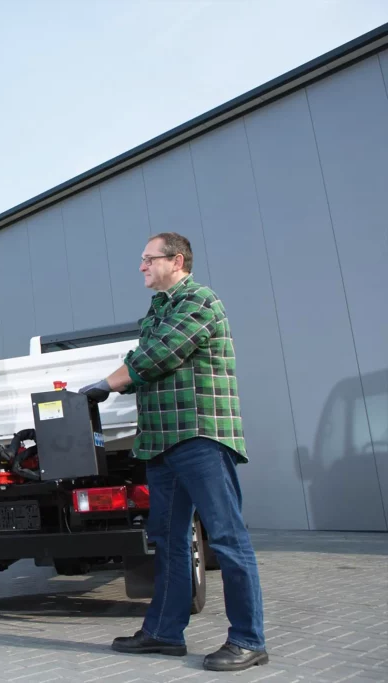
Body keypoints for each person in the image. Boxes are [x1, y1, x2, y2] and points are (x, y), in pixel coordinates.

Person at [79, 232, 267, 672]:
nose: (141, 266)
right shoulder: (159, 309)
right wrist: (114, 382)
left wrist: (107, 383)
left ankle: (248, 639)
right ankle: (164, 632)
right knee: (168, 540)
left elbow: (158, 355)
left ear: (176, 260)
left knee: (226, 538)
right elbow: (145, 353)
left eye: (148, 258)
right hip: (162, 441)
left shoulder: (199, 301)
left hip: (199, 436)